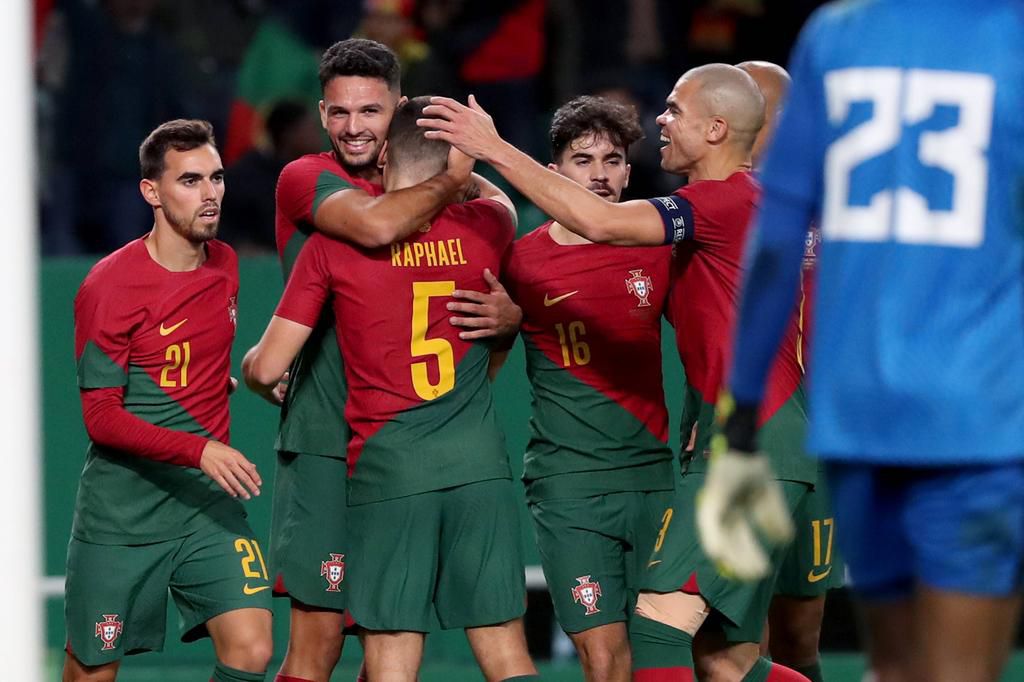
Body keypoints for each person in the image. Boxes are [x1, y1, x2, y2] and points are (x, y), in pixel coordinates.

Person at [420, 63, 812, 681]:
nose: (662, 117)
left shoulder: (710, 206)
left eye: (675, 109)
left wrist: (491, 148)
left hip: (747, 453)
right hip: (705, 452)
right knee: (724, 660)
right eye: (583, 159)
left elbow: (600, 223)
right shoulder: (744, 209)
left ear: (714, 128)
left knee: (659, 635)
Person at [706, 3, 1024, 682]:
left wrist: (740, 419)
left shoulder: (837, 33)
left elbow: (779, 236)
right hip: (977, 416)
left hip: (860, 413)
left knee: (898, 668)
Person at [244, 96, 538, 682]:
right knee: (506, 654)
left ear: (381, 161)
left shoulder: (337, 245)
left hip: (389, 471)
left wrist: (255, 366)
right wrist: (461, 166)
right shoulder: (486, 229)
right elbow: (501, 200)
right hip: (479, 466)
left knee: (392, 656)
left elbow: (266, 365)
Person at [64, 119, 272, 682]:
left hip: (206, 507)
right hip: (123, 517)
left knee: (252, 647)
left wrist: (220, 384)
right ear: (151, 192)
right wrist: (199, 449)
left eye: (217, 177)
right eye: (190, 181)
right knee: (91, 670)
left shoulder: (226, 266)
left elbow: (184, 358)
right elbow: (101, 417)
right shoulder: (108, 287)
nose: (211, 194)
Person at [504, 95, 674, 681]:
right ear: (553, 173)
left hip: (655, 480)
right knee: (605, 660)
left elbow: (713, 343)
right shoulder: (519, 263)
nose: (599, 174)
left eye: (612, 159)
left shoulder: (657, 247)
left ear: (629, 172)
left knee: (667, 658)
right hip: (569, 487)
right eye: (582, 160)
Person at [736, 61, 839, 682]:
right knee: (745, 631)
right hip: (750, 438)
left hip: (820, 441)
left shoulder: (837, 200)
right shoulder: (713, 202)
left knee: (802, 629)